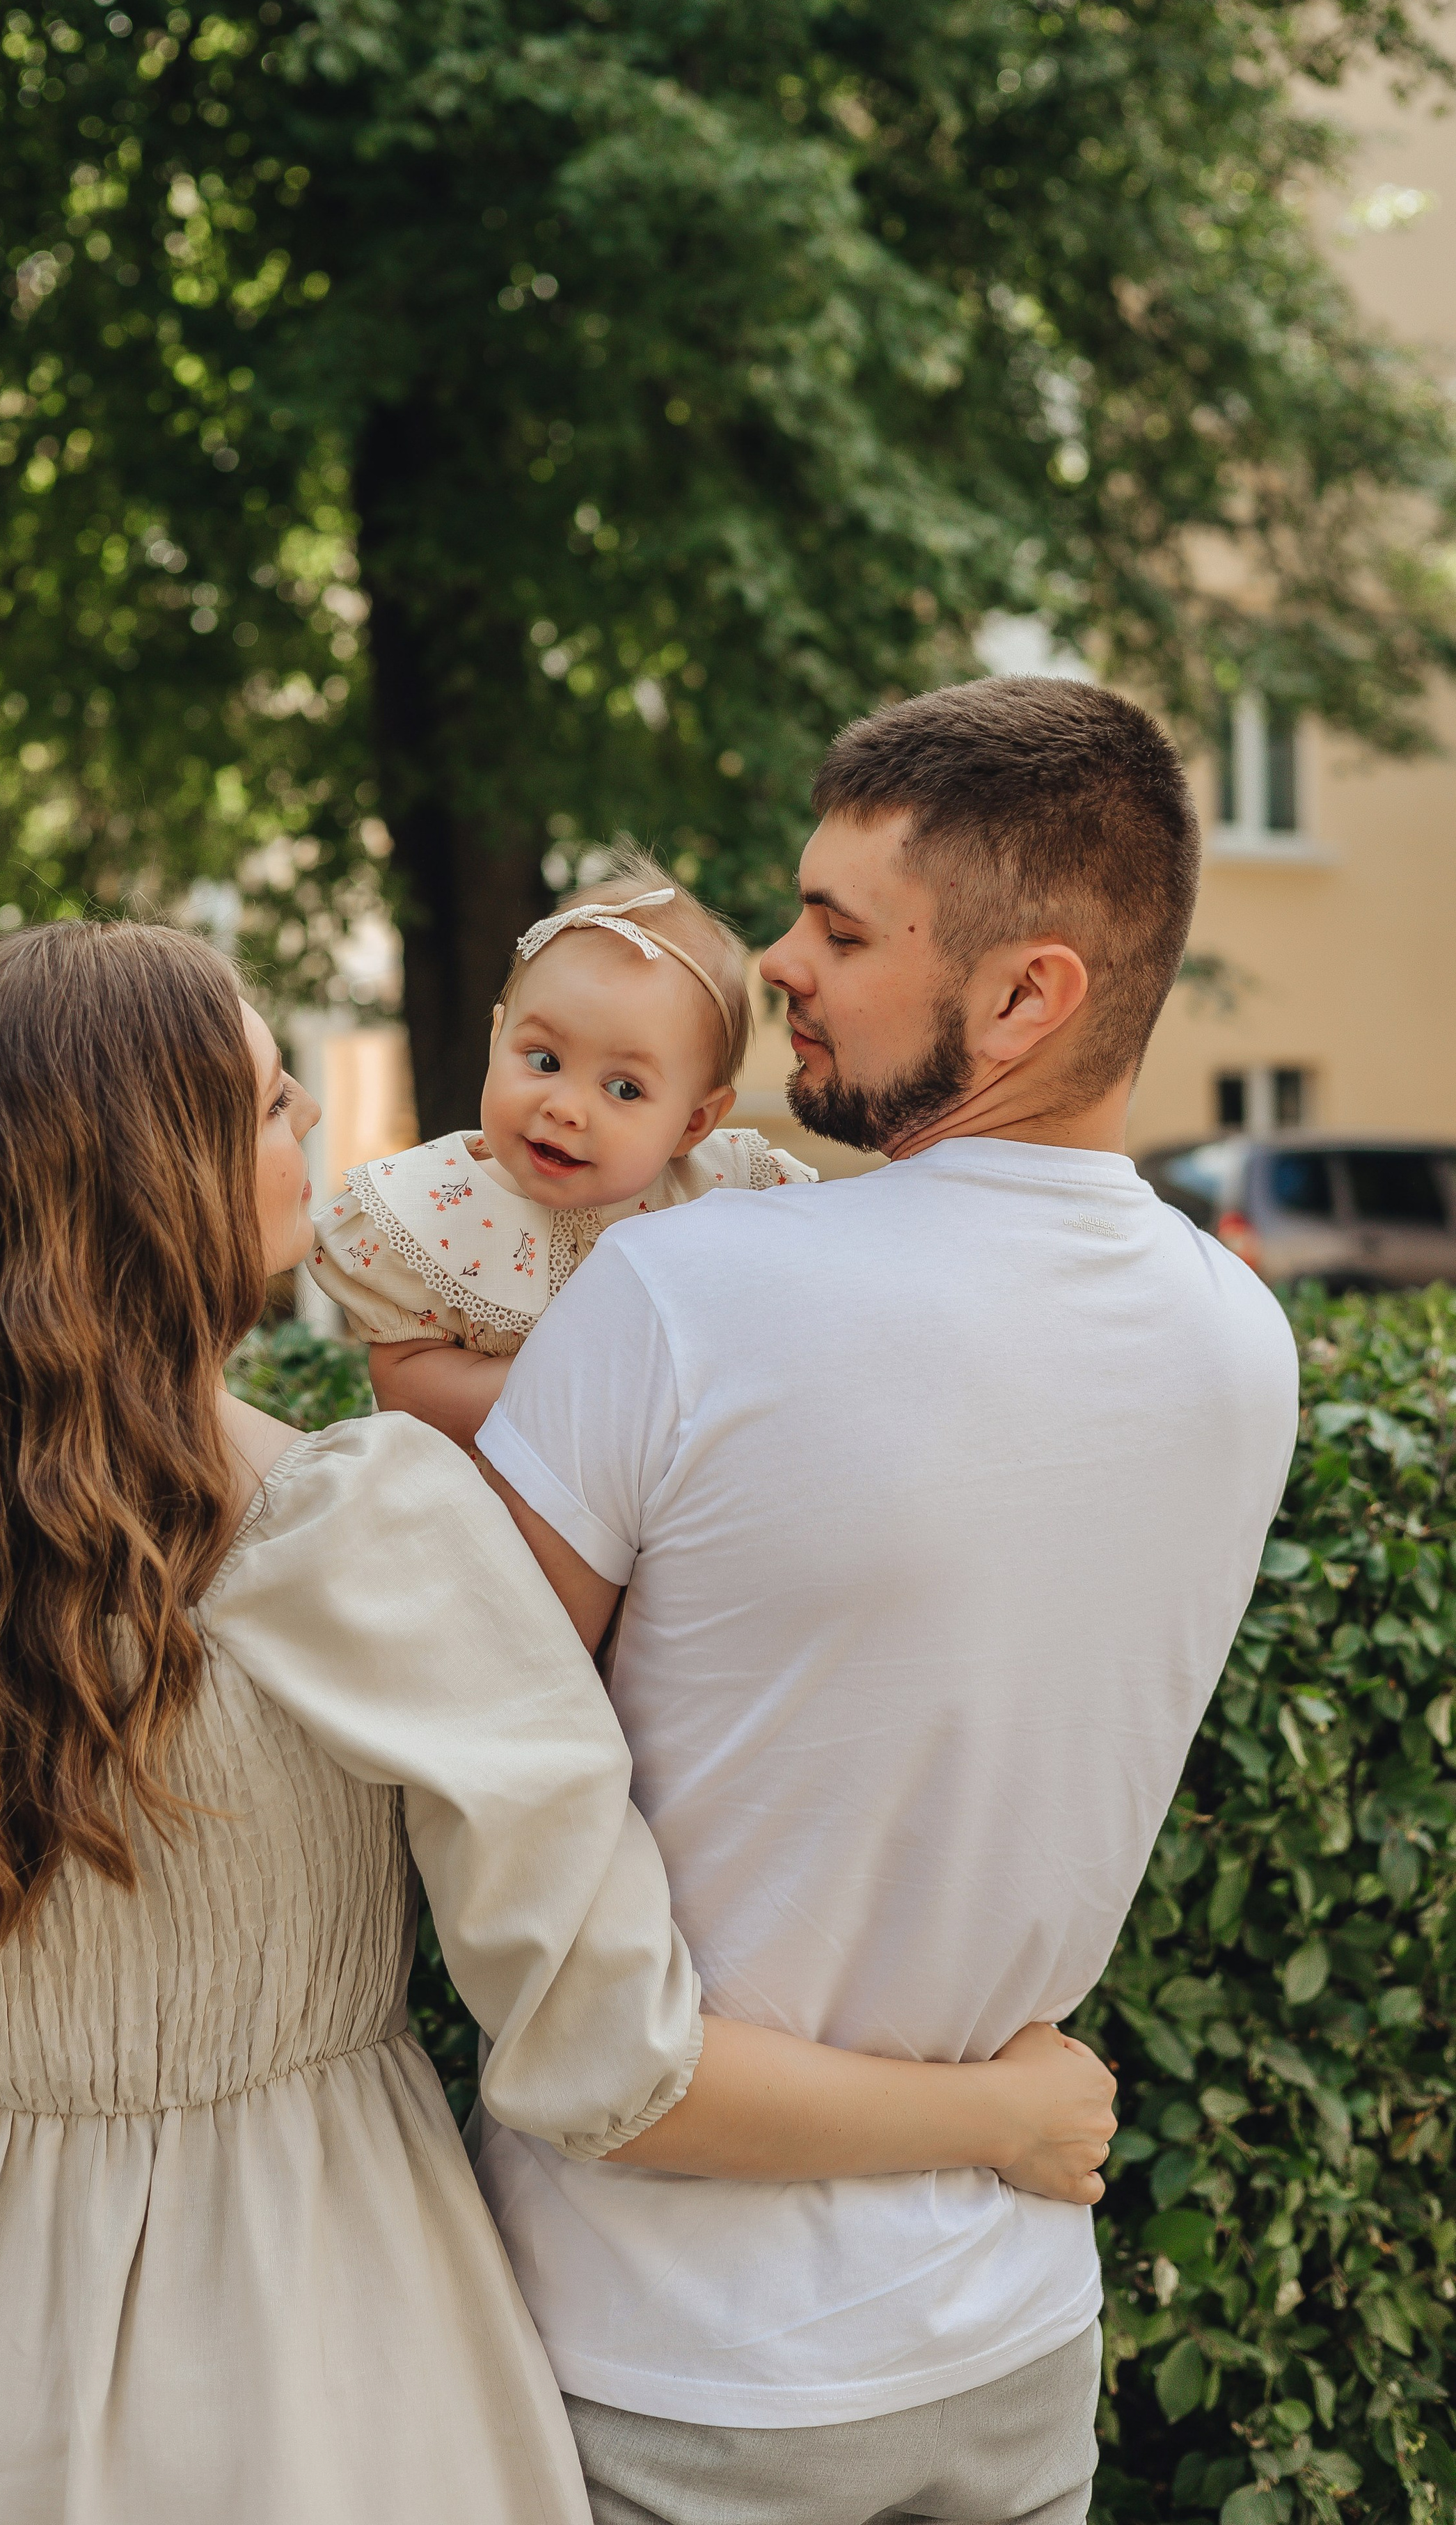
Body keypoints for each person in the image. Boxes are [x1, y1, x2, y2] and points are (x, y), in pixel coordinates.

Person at [0, 919, 1115, 2525]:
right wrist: (1004, 2111)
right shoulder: (351, 1529)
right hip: (306, 2315)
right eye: (264, 1098)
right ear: (143, 1181)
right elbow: (612, 2059)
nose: (310, 1120)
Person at [474, 676, 1303, 2525]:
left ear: (1027, 996)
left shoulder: (685, 1298)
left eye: (841, 933)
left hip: (665, 2355)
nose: (774, 963)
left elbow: (461, 1772)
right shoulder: (1245, 1346)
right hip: (1011, 2343)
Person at [308, 846, 814, 1451]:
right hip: (494, 1512)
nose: (567, 1108)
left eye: (624, 1089)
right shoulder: (432, 1211)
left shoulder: (720, 1197)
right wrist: (602, 1395)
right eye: (544, 1060)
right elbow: (409, 1389)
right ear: (498, 1038)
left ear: (693, 1124)